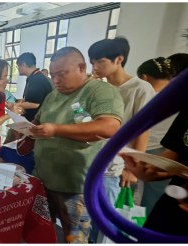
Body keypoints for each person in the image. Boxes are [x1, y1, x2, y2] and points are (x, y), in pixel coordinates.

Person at [30, 47, 125, 244]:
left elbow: (109, 127)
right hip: (44, 179)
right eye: (53, 75)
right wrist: (27, 132)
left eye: (61, 74)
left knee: (75, 236)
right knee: (43, 228)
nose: (55, 80)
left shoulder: (100, 90)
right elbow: (38, 123)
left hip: (76, 186)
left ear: (81, 68)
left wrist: (56, 129)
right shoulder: (52, 96)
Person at [89, 38, 152, 198]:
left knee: (107, 219)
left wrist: (132, 168)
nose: (95, 67)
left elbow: (143, 131)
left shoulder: (140, 88)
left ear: (119, 59)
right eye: (92, 62)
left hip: (117, 167)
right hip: (91, 162)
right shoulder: (98, 88)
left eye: (100, 61)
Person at [137, 57, 179, 154]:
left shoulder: (143, 97)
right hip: (167, 151)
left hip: (141, 148)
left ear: (144, 77)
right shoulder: (180, 97)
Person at [16, 53, 53, 123]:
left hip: (35, 121)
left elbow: (35, 104)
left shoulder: (37, 79)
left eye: (18, 66)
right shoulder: (33, 77)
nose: (17, 69)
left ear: (24, 65)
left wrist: (16, 105)